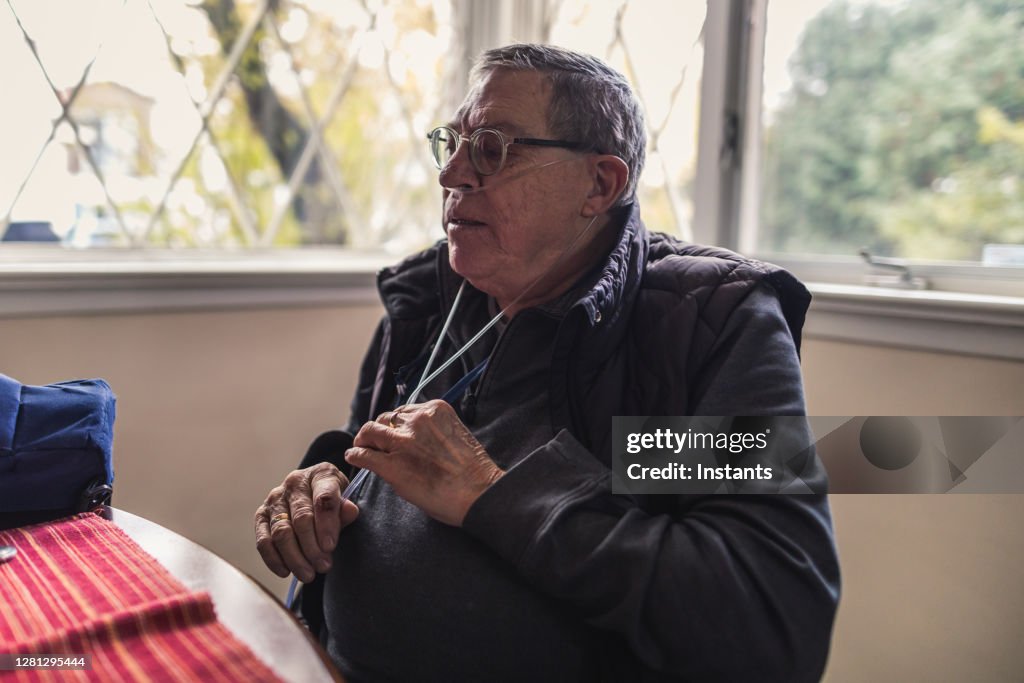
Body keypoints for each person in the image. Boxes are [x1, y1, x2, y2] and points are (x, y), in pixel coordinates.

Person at [255, 43, 840, 682]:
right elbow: (367, 457)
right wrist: (324, 481)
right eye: (453, 144)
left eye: (493, 148)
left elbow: (768, 617)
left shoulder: (696, 327)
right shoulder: (429, 297)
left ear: (599, 184)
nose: (452, 175)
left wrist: (494, 494)